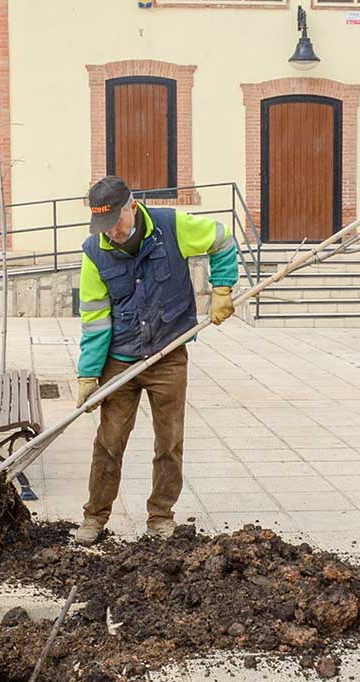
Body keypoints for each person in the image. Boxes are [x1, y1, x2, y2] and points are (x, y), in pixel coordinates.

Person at [73, 176, 240, 544]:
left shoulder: (172, 226)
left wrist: (223, 288)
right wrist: (88, 375)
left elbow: (223, 240)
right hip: (121, 359)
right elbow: (95, 319)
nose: (111, 232)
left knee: (170, 441)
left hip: (168, 353)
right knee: (109, 441)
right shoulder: (94, 252)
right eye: (102, 225)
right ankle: (94, 517)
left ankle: (161, 515)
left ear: (132, 206)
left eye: (115, 221)